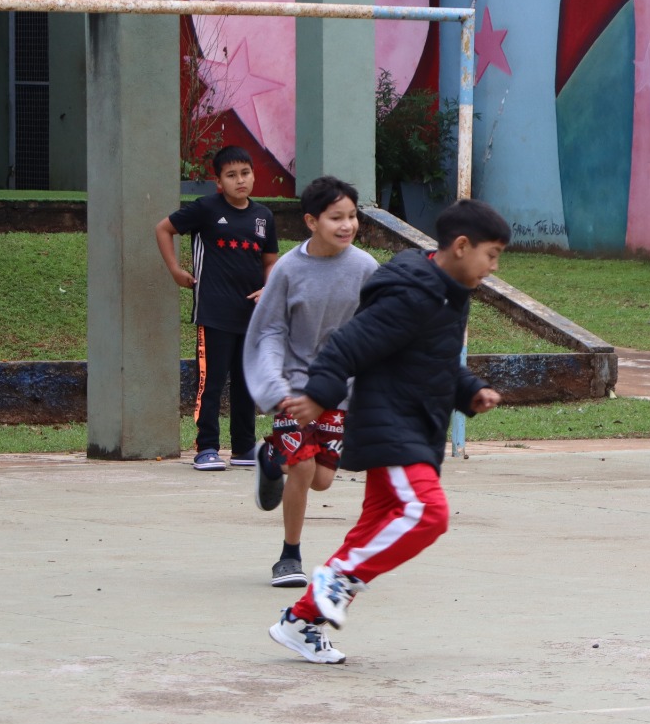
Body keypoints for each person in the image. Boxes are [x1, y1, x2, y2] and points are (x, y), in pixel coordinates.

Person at [267, 198, 507, 663]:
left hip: (414, 425)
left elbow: (434, 361)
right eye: (491, 255)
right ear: (461, 246)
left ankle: (300, 621)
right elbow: (348, 345)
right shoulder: (414, 294)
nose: (494, 267)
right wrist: (319, 395)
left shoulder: (447, 294)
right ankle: (338, 578)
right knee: (427, 512)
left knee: (374, 527)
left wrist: (470, 390)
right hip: (392, 424)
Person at [243, 176, 379, 589]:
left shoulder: (366, 268)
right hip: (294, 386)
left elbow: (378, 328)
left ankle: (270, 458)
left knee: (321, 480)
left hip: (337, 387)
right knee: (302, 467)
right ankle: (289, 556)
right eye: (336, 217)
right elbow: (269, 330)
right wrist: (274, 385)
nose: (347, 225)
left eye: (352, 216)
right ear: (311, 221)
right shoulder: (288, 269)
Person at [155, 146, 278, 471]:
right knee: (210, 383)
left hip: (251, 317)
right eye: (232, 175)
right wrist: (175, 270)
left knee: (246, 383)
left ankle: (243, 448)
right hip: (213, 314)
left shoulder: (264, 217)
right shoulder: (206, 208)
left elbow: (270, 261)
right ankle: (206, 448)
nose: (240, 180)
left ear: (253, 176)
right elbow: (163, 228)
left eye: (245, 173)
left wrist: (268, 288)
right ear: (219, 182)